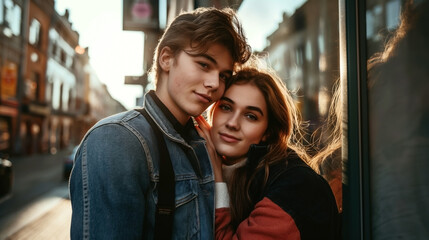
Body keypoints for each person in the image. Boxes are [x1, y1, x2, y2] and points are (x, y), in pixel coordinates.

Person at [69, 7, 251, 239]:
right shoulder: (117, 140)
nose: (215, 83)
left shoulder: (204, 145)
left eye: (223, 75)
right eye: (204, 64)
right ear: (166, 58)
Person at [195, 60, 341, 239]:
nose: (232, 123)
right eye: (226, 107)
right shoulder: (209, 164)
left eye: (251, 116)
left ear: (268, 132)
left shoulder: (297, 186)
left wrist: (216, 178)